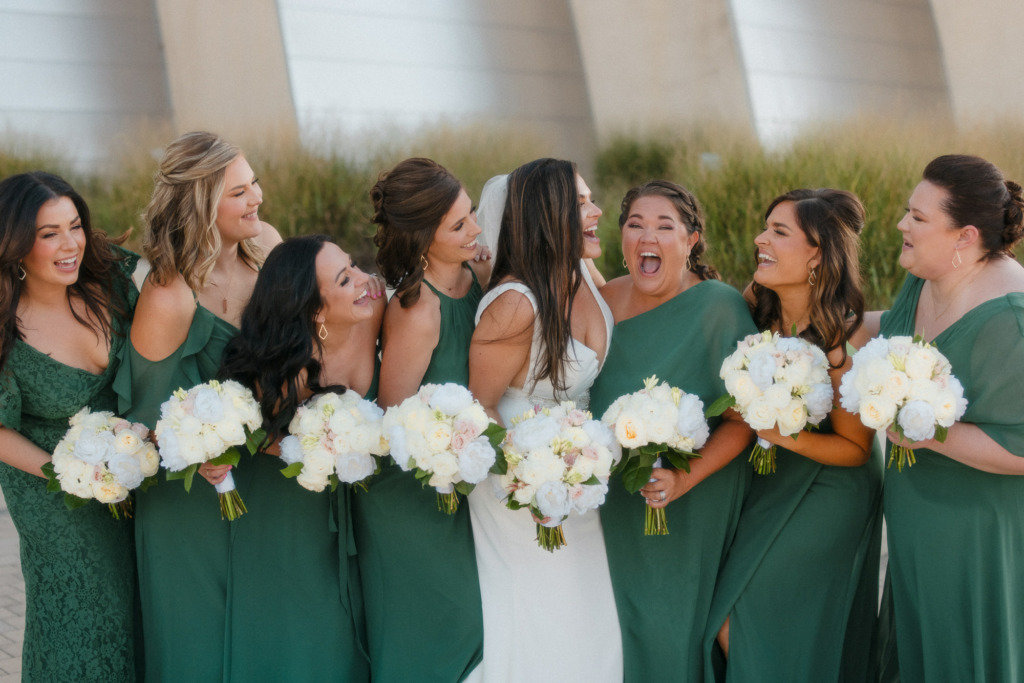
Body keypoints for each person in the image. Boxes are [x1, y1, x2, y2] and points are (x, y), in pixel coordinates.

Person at [115, 131, 281, 680]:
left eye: (253, 183)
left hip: (267, 481)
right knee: (201, 645)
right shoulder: (170, 295)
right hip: (189, 500)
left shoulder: (267, 252)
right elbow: (143, 420)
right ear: (200, 205)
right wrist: (196, 445)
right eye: (238, 193)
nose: (255, 197)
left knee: (267, 634)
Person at [855, 154, 1024, 681]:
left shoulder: (1010, 320)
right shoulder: (928, 273)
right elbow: (896, 328)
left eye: (918, 218)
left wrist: (926, 431)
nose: (902, 224)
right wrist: (821, 329)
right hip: (917, 524)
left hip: (976, 535)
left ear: (964, 236)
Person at [703, 189, 883, 681]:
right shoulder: (753, 308)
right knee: (725, 617)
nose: (761, 239)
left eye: (779, 232)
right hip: (767, 485)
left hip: (828, 491)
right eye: (766, 227)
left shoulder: (843, 339)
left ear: (818, 254)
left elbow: (855, 449)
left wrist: (778, 431)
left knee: (742, 616)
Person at [588, 180, 756, 682]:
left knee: (674, 627)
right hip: (616, 502)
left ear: (692, 239)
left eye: (665, 227)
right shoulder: (598, 302)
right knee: (622, 629)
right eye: (636, 225)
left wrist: (683, 479)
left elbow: (742, 421)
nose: (648, 237)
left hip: (694, 499)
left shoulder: (720, 309)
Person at [467, 159, 620, 681]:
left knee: (595, 617)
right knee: (545, 623)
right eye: (581, 204)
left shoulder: (581, 274)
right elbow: (479, 406)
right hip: (518, 492)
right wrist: (532, 478)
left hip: (578, 481)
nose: (596, 212)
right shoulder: (514, 304)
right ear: (547, 215)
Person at [351, 157, 490, 682]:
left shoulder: (476, 273)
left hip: (458, 481)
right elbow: (394, 420)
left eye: (471, 213)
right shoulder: (416, 310)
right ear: (421, 239)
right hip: (411, 494)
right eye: (458, 225)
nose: (474, 229)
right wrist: (448, 454)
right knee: (439, 627)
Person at [219, 235, 381, 681]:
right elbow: (272, 443)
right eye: (346, 278)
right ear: (314, 310)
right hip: (286, 513)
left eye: (353, 266)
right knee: (302, 635)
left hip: (357, 507)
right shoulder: (282, 368)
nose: (365, 281)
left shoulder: (373, 308)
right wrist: (324, 447)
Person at [0, 171, 138, 681]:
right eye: (48, 233)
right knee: (85, 623)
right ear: (15, 245)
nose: (70, 244)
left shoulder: (113, 282)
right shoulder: (6, 327)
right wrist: (72, 474)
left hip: (138, 479)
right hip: (58, 502)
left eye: (75, 225)